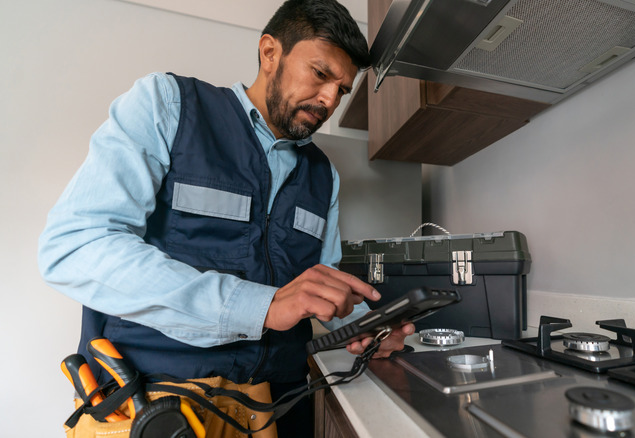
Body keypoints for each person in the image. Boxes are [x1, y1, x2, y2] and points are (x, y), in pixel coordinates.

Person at [38, 0, 413, 436]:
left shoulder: (323, 174)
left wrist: (366, 327)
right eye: (321, 74)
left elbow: (319, 285)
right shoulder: (168, 105)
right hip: (161, 405)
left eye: (343, 90)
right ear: (270, 52)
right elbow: (75, 247)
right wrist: (261, 305)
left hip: (282, 403)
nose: (330, 99)